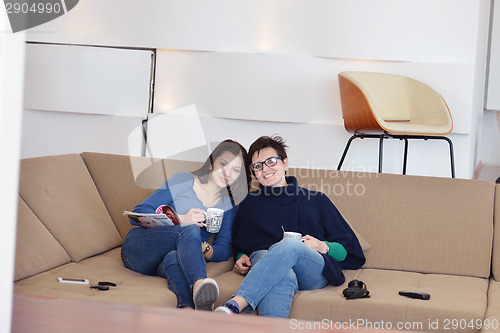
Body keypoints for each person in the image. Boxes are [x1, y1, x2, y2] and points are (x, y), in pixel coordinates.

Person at [215, 135, 365, 317]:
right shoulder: (249, 204)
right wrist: (240, 256)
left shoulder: (317, 200)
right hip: (268, 266)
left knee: (291, 244)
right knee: (281, 273)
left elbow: (350, 251)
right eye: (258, 166)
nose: (265, 169)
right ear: (253, 172)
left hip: (311, 269)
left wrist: (322, 246)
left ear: (285, 163)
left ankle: (236, 303)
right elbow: (241, 244)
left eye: (271, 161)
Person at [121, 139, 251, 310]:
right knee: (189, 229)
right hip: (139, 248)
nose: (227, 173)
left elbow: (224, 250)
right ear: (212, 162)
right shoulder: (184, 180)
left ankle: (188, 312)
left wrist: (202, 247)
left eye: (235, 170)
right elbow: (138, 213)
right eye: (223, 164)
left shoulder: (228, 205)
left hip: (166, 261)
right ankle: (199, 284)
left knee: (175, 258)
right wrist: (180, 219)